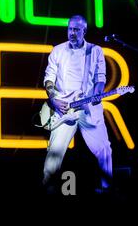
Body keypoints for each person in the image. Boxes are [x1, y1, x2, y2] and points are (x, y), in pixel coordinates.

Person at [42, 15, 113, 193]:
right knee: (54, 153)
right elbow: (49, 78)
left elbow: (100, 78)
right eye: (70, 29)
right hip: (64, 108)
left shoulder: (95, 51)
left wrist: (96, 94)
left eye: (76, 29)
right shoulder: (58, 51)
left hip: (88, 108)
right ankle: (47, 189)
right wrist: (53, 98)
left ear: (84, 31)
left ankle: (107, 190)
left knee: (104, 149)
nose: (72, 33)